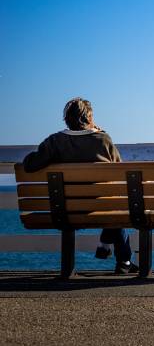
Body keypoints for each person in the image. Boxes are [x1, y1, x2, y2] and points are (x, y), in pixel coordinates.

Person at [21, 98, 140, 274]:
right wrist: (99, 132)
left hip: (65, 209)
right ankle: (120, 258)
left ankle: (108, 248)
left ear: (66, 119)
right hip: (101, 207)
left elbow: (29, 164)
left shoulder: (55, 141)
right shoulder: (102, 140)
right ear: (90, 117)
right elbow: (119, 172)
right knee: (115, 204)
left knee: (113, 205)